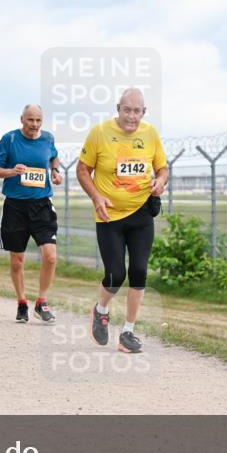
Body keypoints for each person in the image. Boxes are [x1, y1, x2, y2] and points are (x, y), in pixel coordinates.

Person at [76, 88, 168, 354]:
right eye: (126, 110)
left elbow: (162, 167)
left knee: (139, 271)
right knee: (116, 274)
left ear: (144, 112)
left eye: (137, 111)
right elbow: (83, 170)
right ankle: (101, 310)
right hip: (109, 215)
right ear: (118, 109)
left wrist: (160, 181)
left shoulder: (150, 134)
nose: (131, 116)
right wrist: (96, 197)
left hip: (141, 212)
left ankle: (128, 332)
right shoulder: (100, 133)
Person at [0, 104, 62, 323]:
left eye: (38, 120)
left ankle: (42, 302)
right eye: (30, 120)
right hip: (15, 206)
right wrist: (12, 171)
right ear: (22, 119)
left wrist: (55, 172)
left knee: (50, 257)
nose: (34, 125)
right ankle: (22, 302)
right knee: (17, 260)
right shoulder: (9, 139)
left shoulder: (48, 139)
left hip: (42, 205)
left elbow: (53, 158)